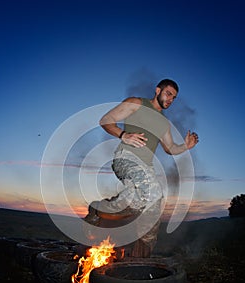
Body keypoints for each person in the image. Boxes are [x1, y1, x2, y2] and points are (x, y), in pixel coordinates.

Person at [84, 79, 199, 257]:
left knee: (143, 204)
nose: (170, 100)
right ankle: (141, 250)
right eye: (168, 94)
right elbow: (106, 120)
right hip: (126, 158)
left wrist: (185, 147)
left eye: (174, 98)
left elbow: (170, 149)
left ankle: (100, 210)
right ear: (157, 90)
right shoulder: (136, 103)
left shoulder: (164, 123)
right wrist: (124, 135)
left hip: (147, 167)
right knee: (154, 194)